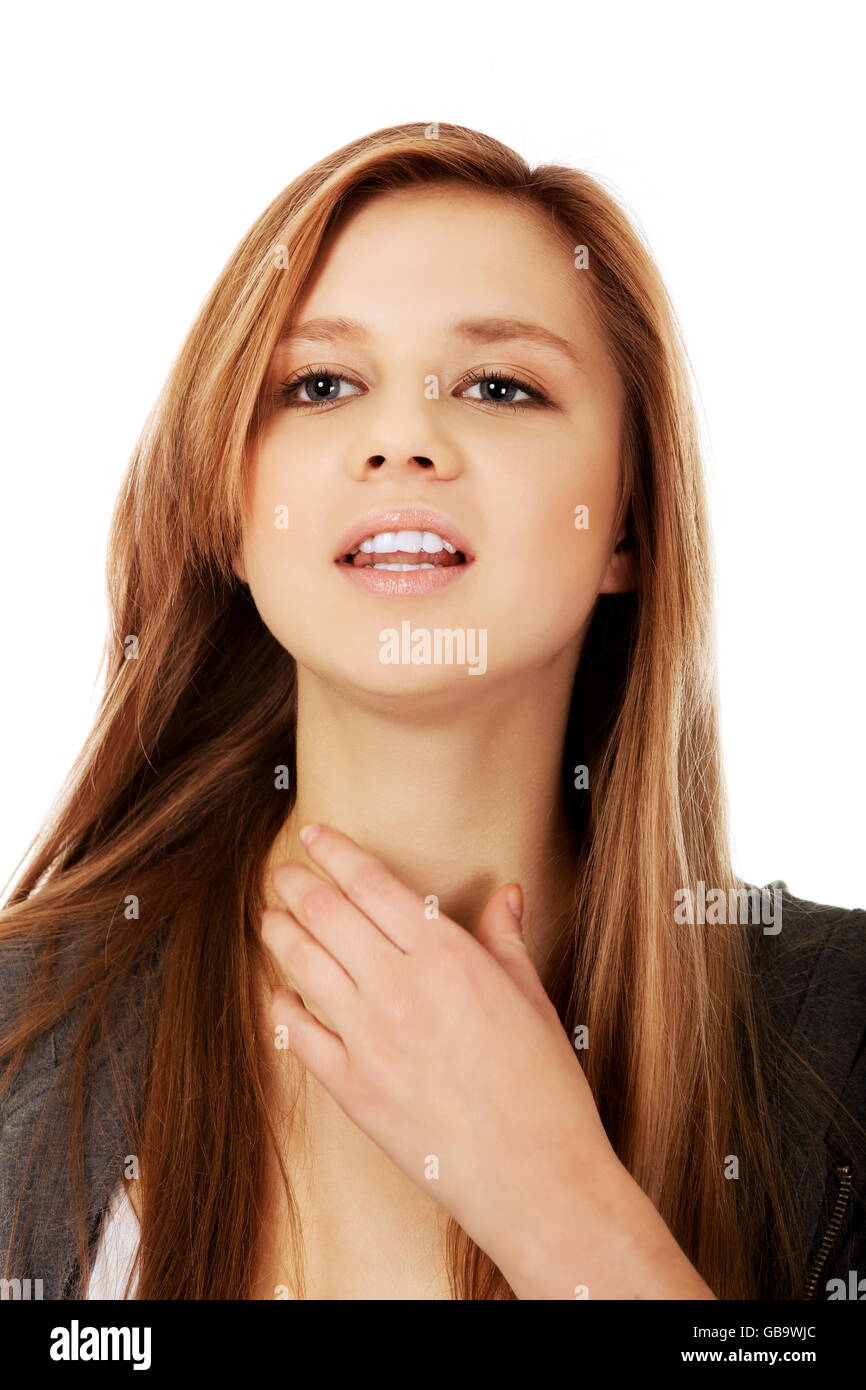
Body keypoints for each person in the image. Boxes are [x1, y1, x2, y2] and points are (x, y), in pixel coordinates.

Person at [1, 121, 863, 1301]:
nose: (400, 438)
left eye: (498, 385)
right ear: (233, 505)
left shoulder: (844, 1041)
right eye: (320, 384)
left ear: (625, 519)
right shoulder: (19, 1031)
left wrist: (557, 1204)